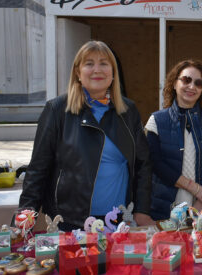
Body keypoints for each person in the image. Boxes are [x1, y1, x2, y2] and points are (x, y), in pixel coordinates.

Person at [19, 41, 153, 230]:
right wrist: (24, 217)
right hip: (71, 221)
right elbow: (38, 169)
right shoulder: (57, 110)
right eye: (89, 64)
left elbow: (143, 164)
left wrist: (142, 209)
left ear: (113, 73)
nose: (97, 70)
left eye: (104, 63)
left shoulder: (128, 110)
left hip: (118, 220)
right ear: (77, 72)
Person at [146, 59, 202, 220]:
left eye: (198, 83)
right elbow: (155, 163)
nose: (192, 86)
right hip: (164, 209)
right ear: (174, 83)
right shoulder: (156, 121)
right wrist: (195, 189)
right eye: (186, 80)